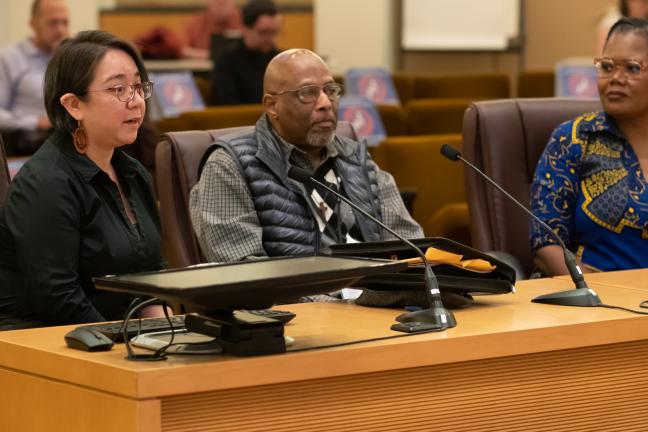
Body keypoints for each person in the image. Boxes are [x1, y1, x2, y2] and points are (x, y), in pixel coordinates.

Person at [190, 48, 423, 263]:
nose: (325, 103)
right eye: (307, 93)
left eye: (331, 91)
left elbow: (413, 248)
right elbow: (243, 274)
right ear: (272, 106)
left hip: (373, 302)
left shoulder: (356, 157)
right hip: (299, 305)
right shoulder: (229, 166)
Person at [0, 31, 166, 329]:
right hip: (45, 341)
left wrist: (167, 330)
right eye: (118, 89)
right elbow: (58, 297)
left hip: (124, 336)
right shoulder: (45, 183)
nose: (136, 101)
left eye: (139, 87)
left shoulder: (135, 173)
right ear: (74, 104)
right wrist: (124, 343)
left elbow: (152, 272)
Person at [531, 17, 648, 276]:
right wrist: (593, 291)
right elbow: (546, 243)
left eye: (631, 68)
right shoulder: (573, 140)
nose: (616, 78)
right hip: (592, 301)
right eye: (607, 66)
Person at [0, 0, 69, 155]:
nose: (61, 29)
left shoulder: (65, 58)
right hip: (27, 145)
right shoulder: (8, 58)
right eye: (53, 23)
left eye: (65, 22)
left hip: (66, 141)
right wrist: (36, 122)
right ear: (33, 24)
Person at [210, 0, 282, 105]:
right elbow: (225, 104)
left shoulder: (281, 60)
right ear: (244, 28)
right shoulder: (227, 60)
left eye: (274, 32)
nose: (270, 39)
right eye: (263, 32)